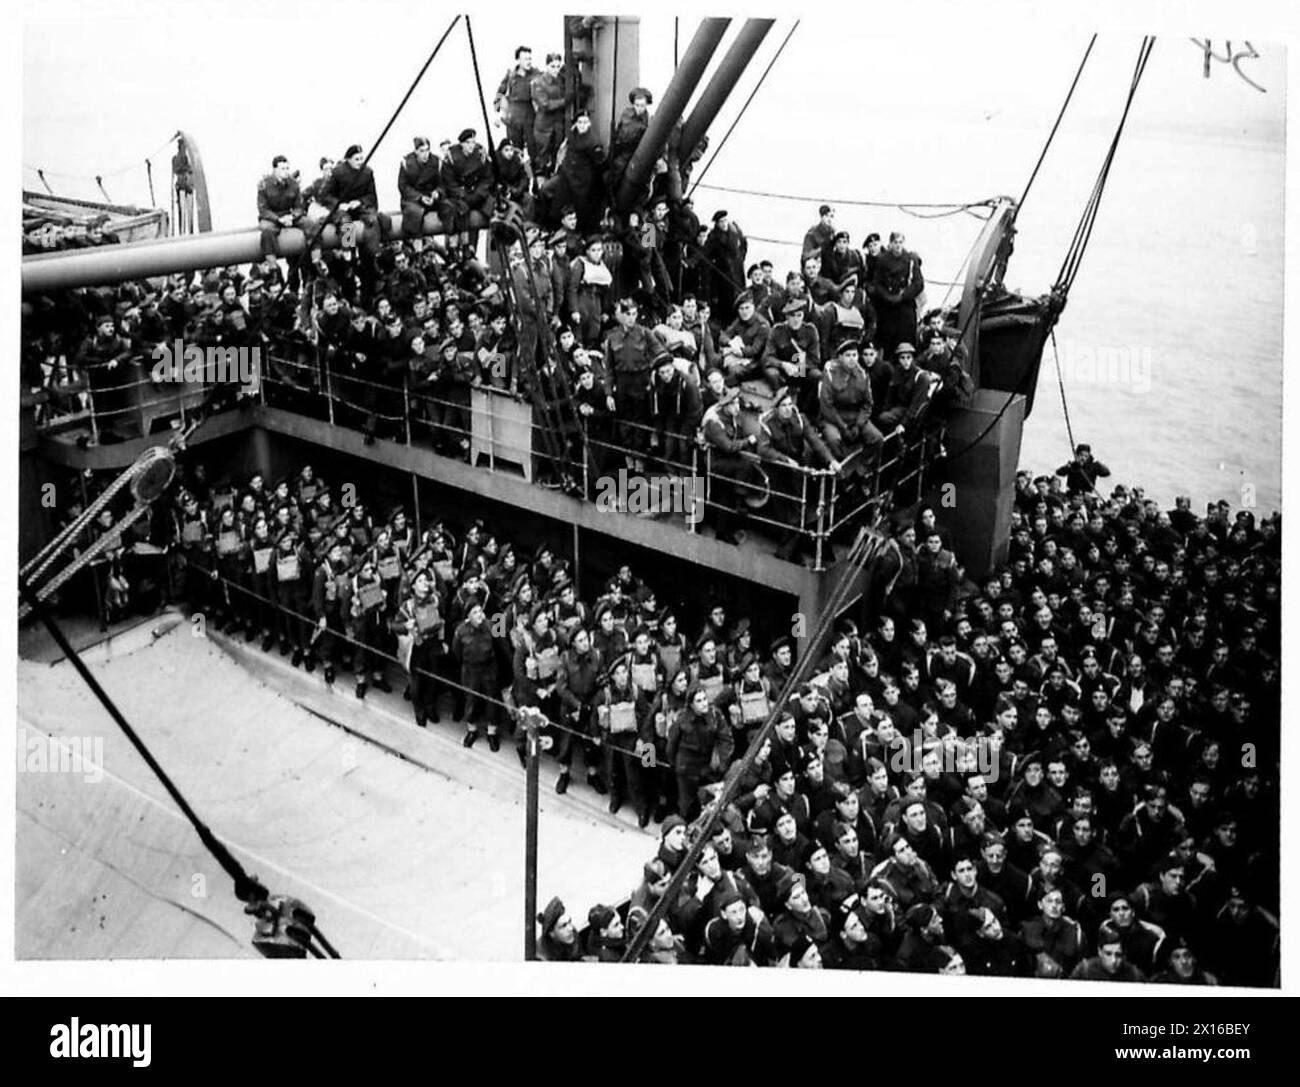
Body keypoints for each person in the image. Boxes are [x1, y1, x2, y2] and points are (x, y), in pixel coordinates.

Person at [870, 231, 925, 357]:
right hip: (888, 308)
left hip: (905, 307)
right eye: (895, 242)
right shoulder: (883, 260)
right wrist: (887, 296)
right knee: (888, 344)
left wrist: (904, 295)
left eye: (900, 242)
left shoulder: (911, 260)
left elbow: (918, 283)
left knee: (906, 343)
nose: (898, 245)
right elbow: (877, 283)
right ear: (890, 243)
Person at [439, 129, 493, 252]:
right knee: (460, 211)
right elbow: (449, 182)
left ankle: (477, 245)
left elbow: (487, 178)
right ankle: (460, 248)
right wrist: (462, 194)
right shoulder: (451, 157)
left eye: (473, 142)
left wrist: (479, 193)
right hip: (460, 196)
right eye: (468, 143)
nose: (471, 146)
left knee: (491, 206)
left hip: (477, 193)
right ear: (462, 144)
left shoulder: (481, 155)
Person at [494, 46, 540, 160]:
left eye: (530, 59)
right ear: (518, 60)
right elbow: (499, 93)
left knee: (533, 147)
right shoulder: (511, 75)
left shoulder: (536, 73)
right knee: (515, 150)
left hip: (530, 114)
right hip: (513, 116)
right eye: (525, 59)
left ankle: (535, 173)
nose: (528, 62)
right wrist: (497, 113)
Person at [703, 210, 748, 325]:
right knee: (727, 303)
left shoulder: (735, 231)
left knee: (739, 299)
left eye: (725, 221)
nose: (724, 224)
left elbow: (743, 244)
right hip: (724, 276)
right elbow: (706, 254)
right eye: (721, 222)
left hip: (736, 272)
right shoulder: (714, 237)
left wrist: (741, 257)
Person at [256, 155, 306, 258]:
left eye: (287, 168)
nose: (286, 171)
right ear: (275, 170)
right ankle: (272, 265)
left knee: (312, 225)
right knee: (267, 231)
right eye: (283, 169)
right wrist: (279, 219)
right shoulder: (265, 184)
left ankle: (317, 259)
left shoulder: (293, 183)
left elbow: (299, 206)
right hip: (274, 218)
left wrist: (292, 216)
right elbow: (263, 209)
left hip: (289, 215)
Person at [530, 52, 569, 176]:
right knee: (542, 157)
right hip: (544, 126)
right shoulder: (538, 82)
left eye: (558, 66)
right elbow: (545, 105)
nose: (555, 70)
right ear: (546, 66)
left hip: (557, 124)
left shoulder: (562, 81)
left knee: (557, 153)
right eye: (552, 66)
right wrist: (565, 101)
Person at [397, 137, 441, 237]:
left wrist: (437, 193)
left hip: (431, 199)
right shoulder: (407, 163)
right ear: (416, 151)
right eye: (422, 151)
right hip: (413, 200)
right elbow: (403, 187)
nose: (425, 154)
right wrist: (419, 197)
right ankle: (417, 246)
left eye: (427, 150)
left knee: (450, 208)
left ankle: (454, 247)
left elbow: (442, 183)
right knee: (415, 213)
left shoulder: (435, 161)